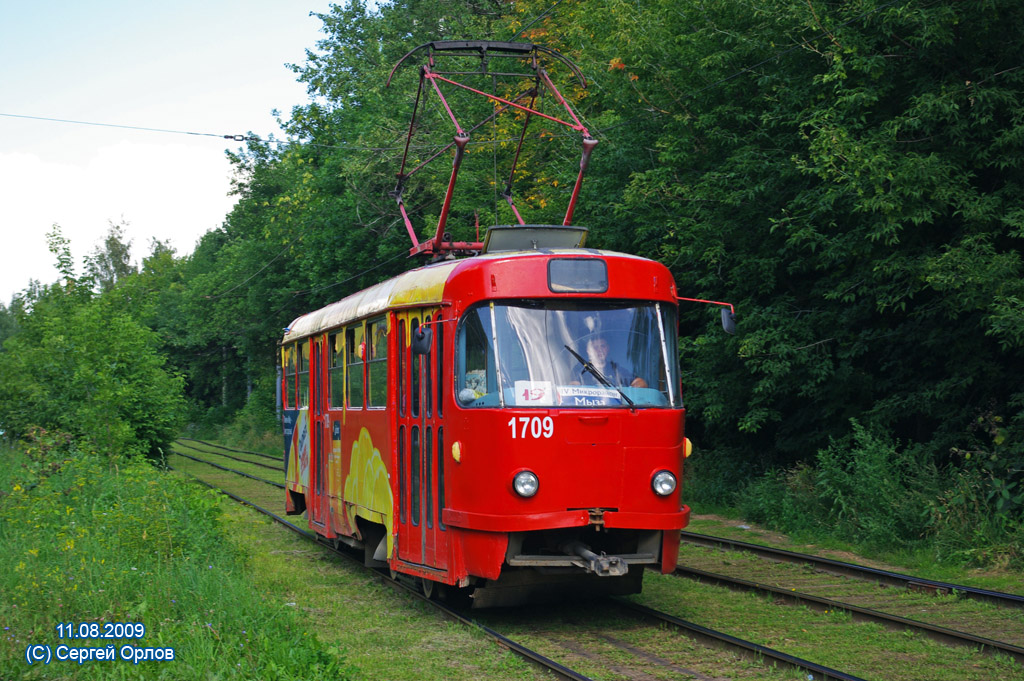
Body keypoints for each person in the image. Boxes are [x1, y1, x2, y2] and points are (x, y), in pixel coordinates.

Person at [575, 335, 648, 388]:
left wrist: (631, 392)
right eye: (595, 347)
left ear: (607, 348)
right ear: (588, 351)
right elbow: (573, 386)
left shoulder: (615, 369)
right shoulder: (580, 369)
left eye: (602, 346)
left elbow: (640, 382)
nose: (599, 350)